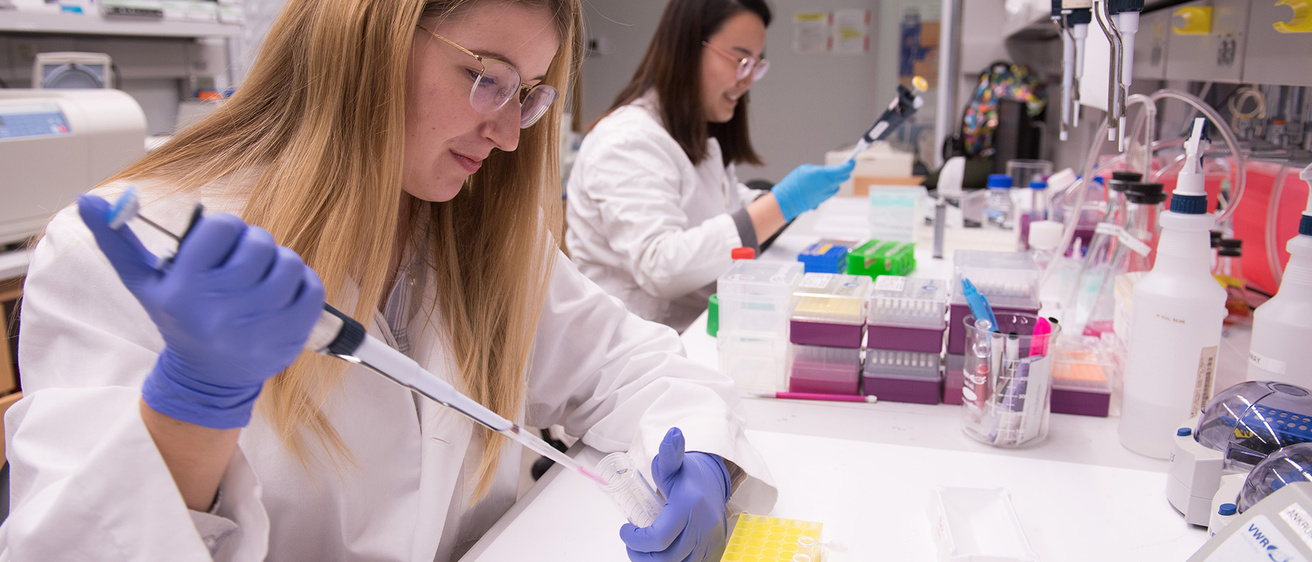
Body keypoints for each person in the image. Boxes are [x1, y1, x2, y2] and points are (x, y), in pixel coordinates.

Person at [2, 1, 777, 560]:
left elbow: (631, 366)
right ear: (367, 37)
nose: (508, 135)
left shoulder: (473, 233)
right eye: (487, 77)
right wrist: (191, 407)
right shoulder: (138, 248)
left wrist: (702, 457)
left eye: (528, 96)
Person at [565, 0, 855, 333]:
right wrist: (779, 205)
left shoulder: (689, 132)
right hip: (640, 342)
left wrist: (775, 204)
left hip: (693, 328)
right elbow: (660, 266)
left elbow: (714, 205)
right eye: (741, 61)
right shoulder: (627, 139)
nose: (748, 80)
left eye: (756, 65)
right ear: (688, 49)